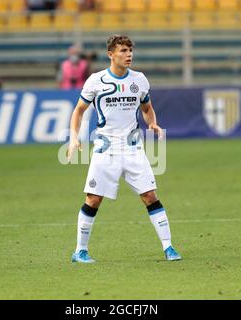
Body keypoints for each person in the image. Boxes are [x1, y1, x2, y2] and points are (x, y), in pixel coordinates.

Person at [67, 34, 182, 263]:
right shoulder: (96, 81)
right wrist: (74, 138)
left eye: (130, 50)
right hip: (105, 148)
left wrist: (152, 123)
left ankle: (169, 247)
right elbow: (79, 110)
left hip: (132, 148)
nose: (128, 55)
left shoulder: (139, 80)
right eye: (123, 51)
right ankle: (80, 251)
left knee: (150, 195)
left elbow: (147, 108)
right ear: (111, 54)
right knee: (93, 199)